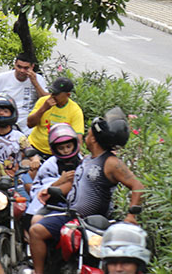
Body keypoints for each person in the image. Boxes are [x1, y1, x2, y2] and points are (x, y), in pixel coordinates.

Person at [29, 108, 143, 274]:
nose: (85, 138)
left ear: (94, 140)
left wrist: (131, 215)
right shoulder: (87, 160)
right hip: (72, 218)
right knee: (36, 231)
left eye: (88, 134)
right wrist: (51, 190)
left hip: (96, 224)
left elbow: (138, 186)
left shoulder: (111, 162)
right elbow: (76, 184)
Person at [26, 123, 83, 225]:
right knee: (36, 222)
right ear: (55, 149)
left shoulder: (83, 161)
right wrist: (60, 181)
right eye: (61, 148)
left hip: (78, 203)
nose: (66, 151)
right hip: (52, 204)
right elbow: (39, 190)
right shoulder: (50, 164)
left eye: (68, 146)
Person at [0, 53, 49, 132]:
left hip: (27, 127)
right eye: (19, 67)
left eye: (26, 68)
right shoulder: (1, 78)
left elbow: (45, 100)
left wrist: (35, 82)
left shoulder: (38, 79)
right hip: (5, 123)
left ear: (32, 67)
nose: (22, 71)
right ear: (15, 64)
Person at [27, 77, 84, 157]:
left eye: (56, 94)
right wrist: (44, 108)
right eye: (52, 92)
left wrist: (78, 154)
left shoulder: (75, 110)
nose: (52, 95)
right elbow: (30, 124)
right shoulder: (43, 101)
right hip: (35, 147)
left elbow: (78, 136)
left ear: (67, 95)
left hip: (57, 153)